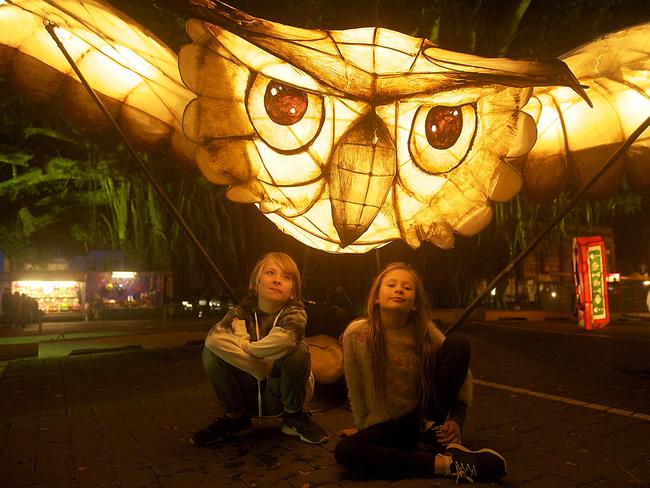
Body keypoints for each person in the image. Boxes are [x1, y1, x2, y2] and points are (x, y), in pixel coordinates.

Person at [334, 263, 506, 483]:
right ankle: (449, 464)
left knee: (458, 344)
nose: (399, 290)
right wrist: (362, 429)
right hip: (387, 425)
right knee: (345, 452)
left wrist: (455, 419)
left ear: (415, 304)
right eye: (391, 285)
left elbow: (461, 376)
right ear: (376, 297)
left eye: (407, 288)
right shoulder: (356, 335)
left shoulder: (424, 332)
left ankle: (426, 439)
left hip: (424, 417)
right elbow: (355, 386)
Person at [190, 252, 329, 446]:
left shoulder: (295, 313)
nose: (277, 280)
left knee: (298, 348)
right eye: (270, 273)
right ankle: (235, 419)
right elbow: (214, 340)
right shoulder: (240, 313)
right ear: (256, 283)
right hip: (247, 391)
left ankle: (294, 418)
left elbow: (284, 340)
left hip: (278, 391)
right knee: (211, 354)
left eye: (286, 277)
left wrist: (246, 345)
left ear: (294, 291)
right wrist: (260, 365)